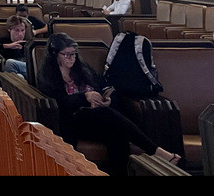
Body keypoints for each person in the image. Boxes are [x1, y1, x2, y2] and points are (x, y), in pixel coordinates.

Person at [36, 33, 181, 174]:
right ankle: (155, 151)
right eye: (66, 54)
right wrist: (85, 97)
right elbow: (58, 102)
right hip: (73, 120)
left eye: (73, 53)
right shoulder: (48, 76)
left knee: (117, 131)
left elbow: (100, 84)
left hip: (98, 117)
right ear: (55, 54)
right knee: (108, 116)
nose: (72, 58)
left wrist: (105, 98)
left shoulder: (81, 67)